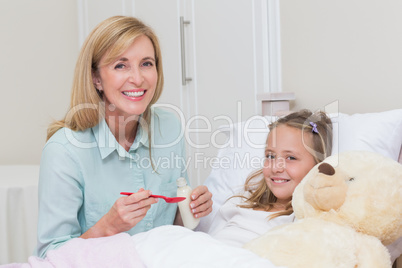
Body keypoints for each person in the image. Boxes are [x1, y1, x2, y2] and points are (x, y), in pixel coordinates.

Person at [35, 16, 212, 258]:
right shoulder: (64, 151)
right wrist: (107, 227)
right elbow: (49, 256)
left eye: (146, 63)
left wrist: (190, 210)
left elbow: (172, 230)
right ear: (96, 78)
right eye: (121, 65)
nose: (138, 79)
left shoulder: (169, 127)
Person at [206, 109, 333, 247]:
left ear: (317, 165)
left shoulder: (304, 220)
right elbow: (208, 242)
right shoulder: (242, 200)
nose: (275, 168)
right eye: (270, 156)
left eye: (291, 158)